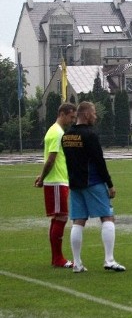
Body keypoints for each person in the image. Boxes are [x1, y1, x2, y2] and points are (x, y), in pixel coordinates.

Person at [62, 101, 125, 273]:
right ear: (87, 114)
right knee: (107, 217)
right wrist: (109, 184)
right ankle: (109, 259)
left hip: (75, 183)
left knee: (78, 221)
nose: (95, 116)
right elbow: (99, 161)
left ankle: (77, 263)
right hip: (93, 181)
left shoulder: (66, 136)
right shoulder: (90, 135)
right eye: (94, 113)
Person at [35, 103, 77, 268]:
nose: (72, 120)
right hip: (57, 182)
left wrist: (42, 177)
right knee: (61, 217)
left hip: (58, 180)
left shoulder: (54, 131)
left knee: (58, 217)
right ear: (63, 114)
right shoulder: (57, 133)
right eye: (71, 117)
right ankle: (57, 258)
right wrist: (42, 178)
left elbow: (51, 159)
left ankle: (56, 257)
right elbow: (51, 159)